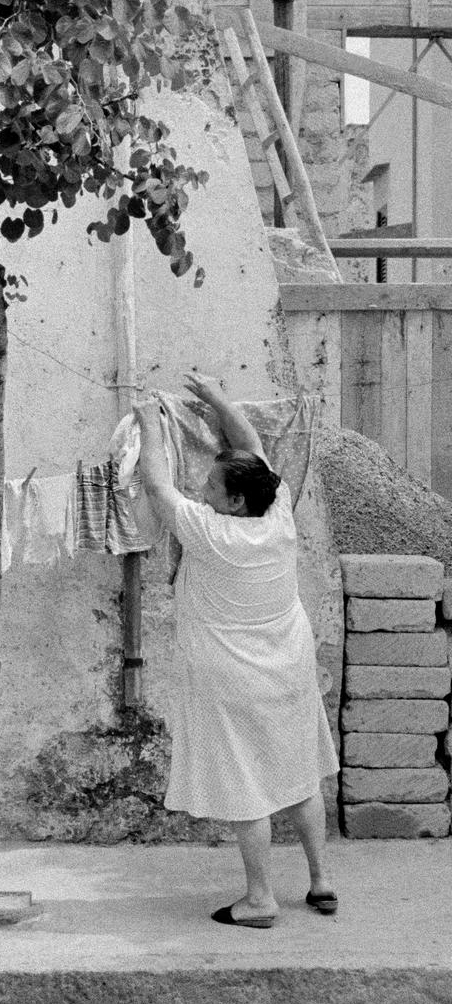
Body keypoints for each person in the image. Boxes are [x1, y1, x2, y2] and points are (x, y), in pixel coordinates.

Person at [135, 371, 339, 929]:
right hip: (289, 667)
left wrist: (150, 421)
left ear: (232, 501)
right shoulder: (278, 516)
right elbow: (251, 448)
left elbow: (156, 485)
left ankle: (259, 899)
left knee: (247, 784)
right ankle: (321, 882)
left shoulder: (211, 533)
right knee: (299, 774)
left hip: (230, 676)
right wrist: (218, 400)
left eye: (211, 486)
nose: (201, 489)